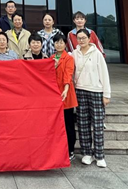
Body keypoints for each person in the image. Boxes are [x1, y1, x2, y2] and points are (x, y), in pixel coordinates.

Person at [73, 28, 111, 168]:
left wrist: (106, 94)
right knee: (83, 124)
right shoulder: (74, 54)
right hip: (80, 91)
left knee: (98, 125)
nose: (81, 40)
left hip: (96, 91)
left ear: (89, 38)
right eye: (79, 38)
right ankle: (87, 153)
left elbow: (104, 74)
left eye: (84, 38)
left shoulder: (97, 53)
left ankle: (99, 155)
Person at [53, 32, 78, 162]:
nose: (59, 44)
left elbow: (68, 74)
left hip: (66, 94)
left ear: (65, 44)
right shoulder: (51, 58)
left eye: (61, 42)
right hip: (54, 95)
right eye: (56, 42)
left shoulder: (69, 58)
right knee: (57, 124)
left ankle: (70, 149)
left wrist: (66, 88)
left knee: (68, 123)